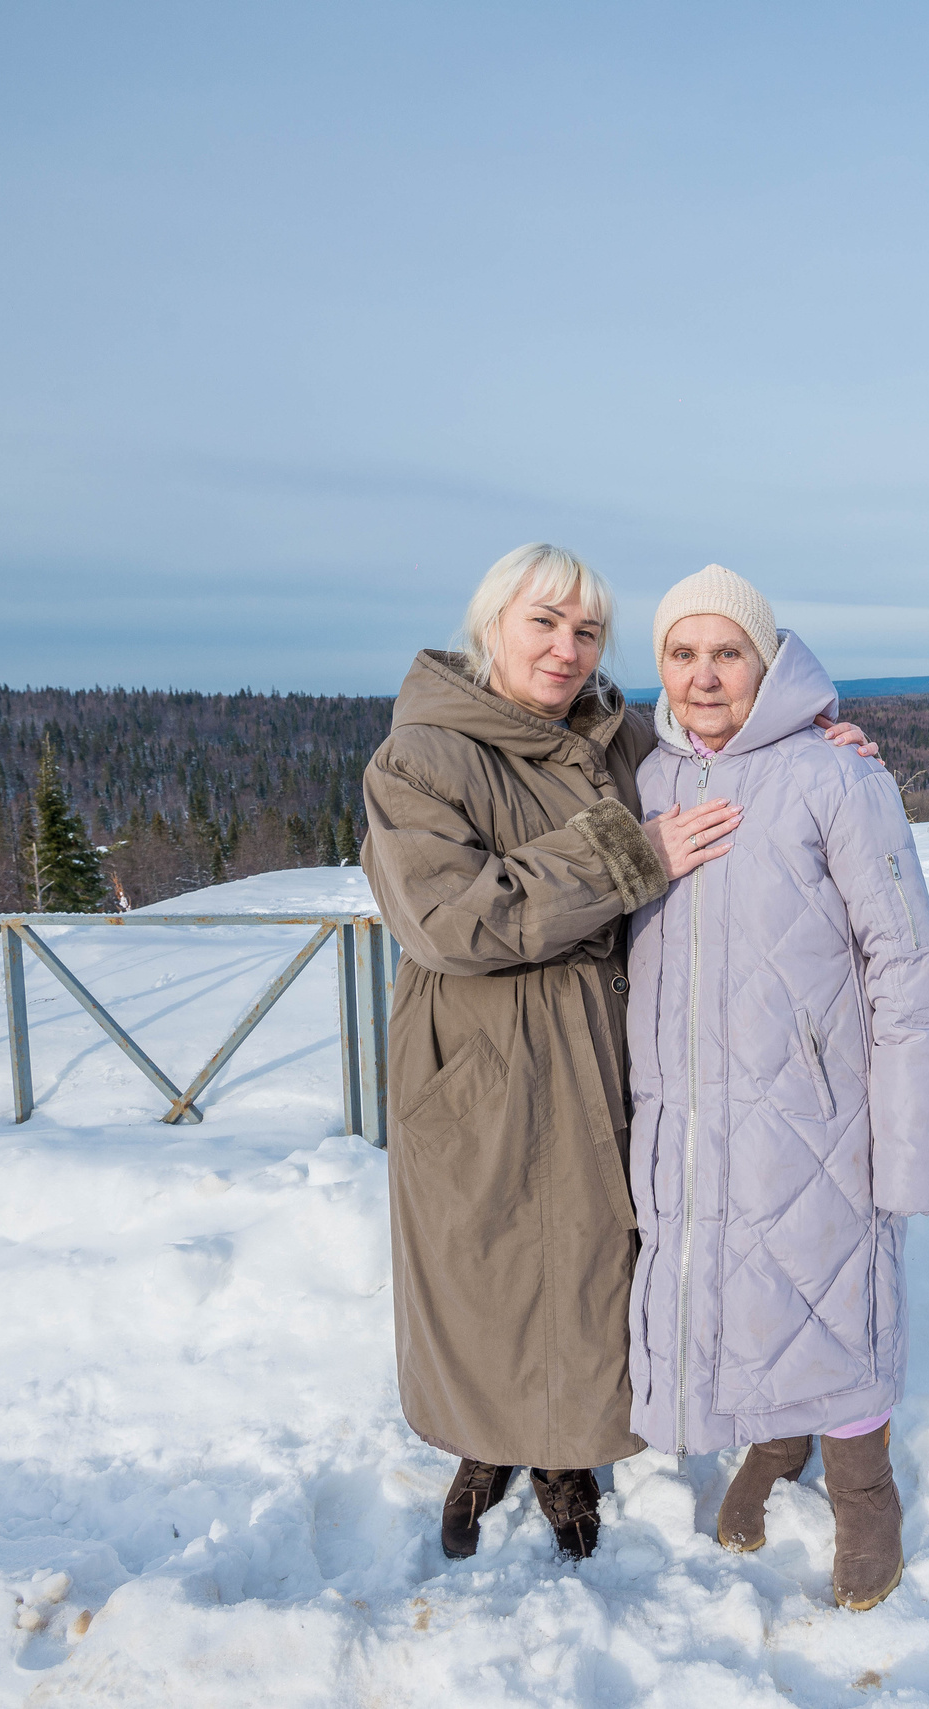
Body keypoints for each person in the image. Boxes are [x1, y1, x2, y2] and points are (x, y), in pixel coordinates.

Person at [360, 544, 876, 1563]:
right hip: (479, 1052)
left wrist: (816, 737)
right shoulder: (420, 756)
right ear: (491, 625)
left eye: (587, 631)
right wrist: (626, 856)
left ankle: (561, 1449)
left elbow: (722, 749)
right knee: (483, 1258)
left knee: (591, 1255)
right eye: (542, 622)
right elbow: (448, 918)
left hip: (597, 1040)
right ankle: (483, 1438)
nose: (565, 648)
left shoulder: (614, 734)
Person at [624, 564, 929, 1611]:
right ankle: (773, 1437)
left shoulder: (838, 777)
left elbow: (903, 964)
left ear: (766, 662)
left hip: (816, 1106)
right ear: (662, 669)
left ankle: (866, 1494)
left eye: (728, 652)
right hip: (683, 1105)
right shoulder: (648, 781)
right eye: (683, 653)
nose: (705, 675)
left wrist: (905, 1143)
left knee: (832, 1296)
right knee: (734, 1282)